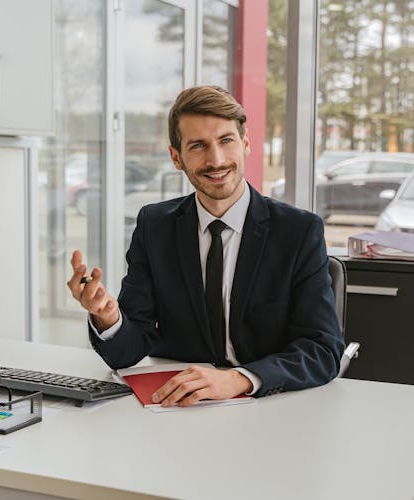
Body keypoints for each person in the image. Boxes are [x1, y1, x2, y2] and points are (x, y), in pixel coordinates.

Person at [67, 85, 344, 407]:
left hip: (270, 406)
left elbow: (322, 351)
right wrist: (109, 318)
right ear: (176, 157)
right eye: (198, 146)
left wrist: (240, 378)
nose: (216, 160)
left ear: (246, 143)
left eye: (226, 141)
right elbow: (127, 352)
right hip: (180, 408)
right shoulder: (155, 226)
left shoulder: (298, 231)